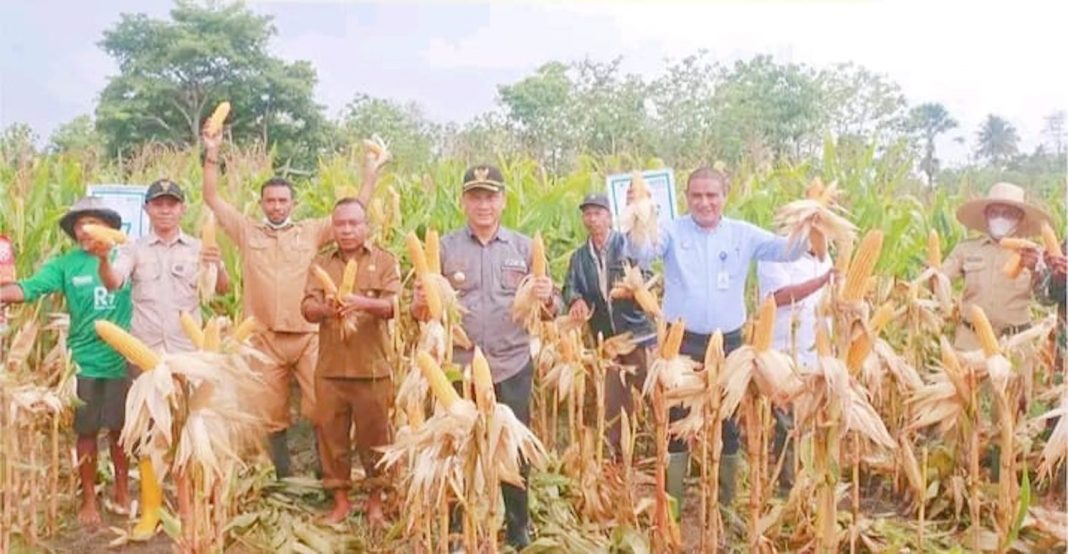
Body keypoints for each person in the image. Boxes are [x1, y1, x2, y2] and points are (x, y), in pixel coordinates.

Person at [201, 125, 388, 477]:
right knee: (270, 413)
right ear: (261, 204)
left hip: (308, 337)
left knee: (322, 408)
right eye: (270, 201)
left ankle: (326, 474)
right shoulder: (246, 231)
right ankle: (281, 475)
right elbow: (211, 198)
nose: (276, 206)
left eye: (282, 201)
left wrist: (370, 173)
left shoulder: (310, 231)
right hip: (264, 338)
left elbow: (355, 211)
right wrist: (212, 152)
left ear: (293, 204)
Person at [625, 166, 804, 510]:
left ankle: (725, 506)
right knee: (676, 424)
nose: (704, 202)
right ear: (686, 197)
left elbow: (787, 251)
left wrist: (812, 226)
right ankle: (673, 509)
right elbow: (642, 251)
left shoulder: (743, 234)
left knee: (728, 424)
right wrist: (638, 216)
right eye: (696, 196)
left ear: (725, 196)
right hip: (682, 344)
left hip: (730, 344)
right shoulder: (671, 232)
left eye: (711, 195)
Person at [411, 164, 557, 548]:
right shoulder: (445, 249)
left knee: (513, 447)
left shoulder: (523, 248)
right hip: (458, 368)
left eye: (490, 196)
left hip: (511, 364)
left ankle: (518, 523)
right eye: (475, 196)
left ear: (503, 201)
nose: (483, 204)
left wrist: (548, 296)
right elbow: (422, 311)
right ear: (463, 202)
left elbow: (549, 310)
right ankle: (458, 525)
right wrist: (420, 303)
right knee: (458, 445)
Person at [97, 178, 229, 536]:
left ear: (182, 208)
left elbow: (222, 290)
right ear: (147, 210)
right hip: (146, 358)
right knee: (147, 434)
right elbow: (113, 282)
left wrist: (220, 267)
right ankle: (151, 510)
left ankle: (192, 507)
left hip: (189, 357)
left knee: (192, 432)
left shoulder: (200, 247)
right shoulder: (133, 250)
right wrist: (101, 259)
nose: (166, 210)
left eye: (172, 203)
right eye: (158, 204)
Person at [0, 197, 133, 527]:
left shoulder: (127, 257)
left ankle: (121, 489)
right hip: (84, 363)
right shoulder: (64, 265)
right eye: (79, 224)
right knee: (86, 433)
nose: (85, 229)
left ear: (107, 227)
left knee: (121, 432)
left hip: (122, 360)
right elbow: (28, 289)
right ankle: (88, 497)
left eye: (92, 222)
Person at [301, 198, 400, 526]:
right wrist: (330, 309)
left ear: (365, 226)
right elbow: (307, 309)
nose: (346, 230)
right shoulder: (321, 264)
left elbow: (392, 307)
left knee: (376, 440)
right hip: (330, 370)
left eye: (353, 224)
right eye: (340, 224)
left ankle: (375, 501)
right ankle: (341, 502)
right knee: (332, 439)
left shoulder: (384, 261)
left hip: (372, 369)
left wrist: (360, 303)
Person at [562, 192, 655, 455]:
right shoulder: (579, 258)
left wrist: (633, 289)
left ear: (609, 217)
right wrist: (575, 300)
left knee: (651, 392)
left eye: (598, 213)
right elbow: (570, 286)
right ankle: (617, 456)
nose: (592, 219)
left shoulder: (628, 245)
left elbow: (646, 275)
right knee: (613, 400)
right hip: (607, 340)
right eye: (587, 214)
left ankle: (667, 445)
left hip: (636, 333)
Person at [757, 250, 834, 493]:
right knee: (787, 426)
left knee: (812, 425)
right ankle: (786, 490)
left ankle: (809, 485)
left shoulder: (824, 258)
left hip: (817, 356)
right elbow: (777, 297)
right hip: (783, 356)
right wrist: (822, 281)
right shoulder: (774, 254)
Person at [941, 182, 1049, 351]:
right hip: (971, 341)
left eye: (1007, 214)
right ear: (986, 216)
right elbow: (939, 281)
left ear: (1020, 218)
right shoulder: (966, 249)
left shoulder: (1035, 254)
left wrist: (1037, 270)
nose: (1000, 218)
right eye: (994, 213)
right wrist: (930, 276)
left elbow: (1047, 298)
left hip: (1017, 344)